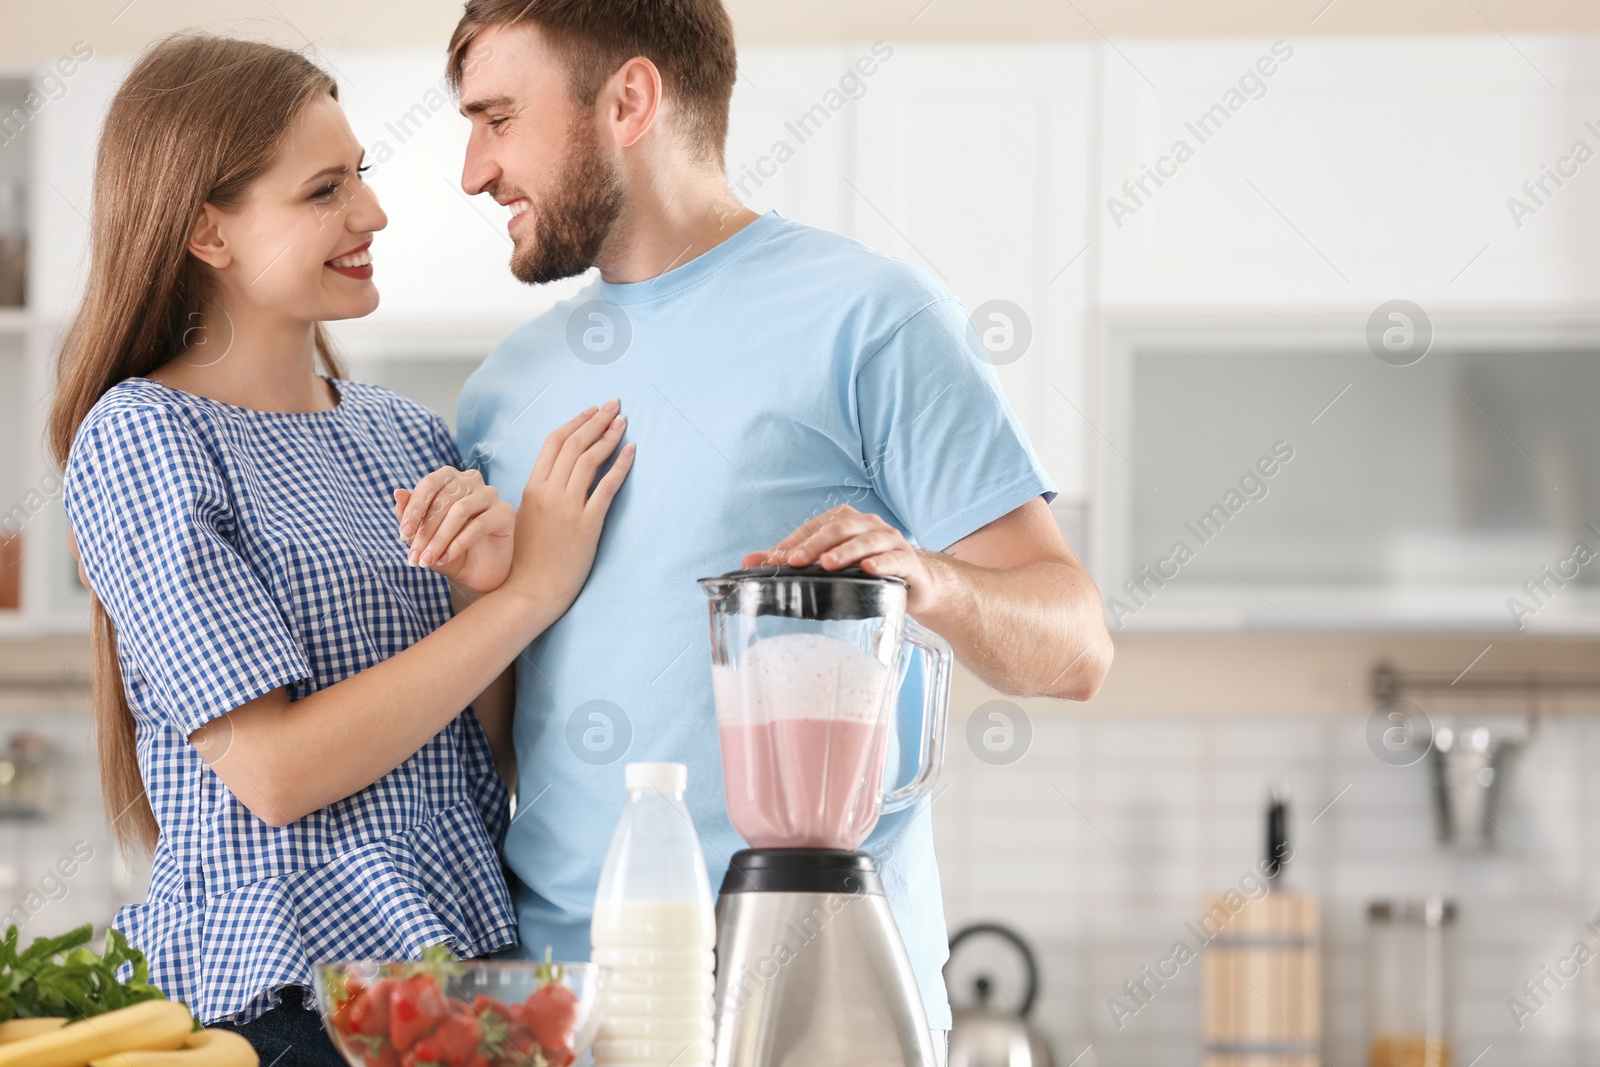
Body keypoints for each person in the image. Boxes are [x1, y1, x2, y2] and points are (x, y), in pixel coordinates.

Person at [444, 0, 1115, 1055]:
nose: (474, 172)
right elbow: (484, 748)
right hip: (559, 1016)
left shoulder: (869, 319)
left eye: (497, 118)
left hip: (820, 1004)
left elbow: (1075, 644)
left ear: (628, 100)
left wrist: (927, 581)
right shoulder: (503, 391)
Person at [52, 35, 632, 1067]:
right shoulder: (144, 436)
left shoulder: (406, 433)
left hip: (464, 979)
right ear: (206, 232)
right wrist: (526, 595)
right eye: (324, 189)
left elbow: (476, 751)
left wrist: (476, 585)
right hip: (283, 1006)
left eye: (360, 174)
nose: (372, 212)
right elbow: (270, 770)